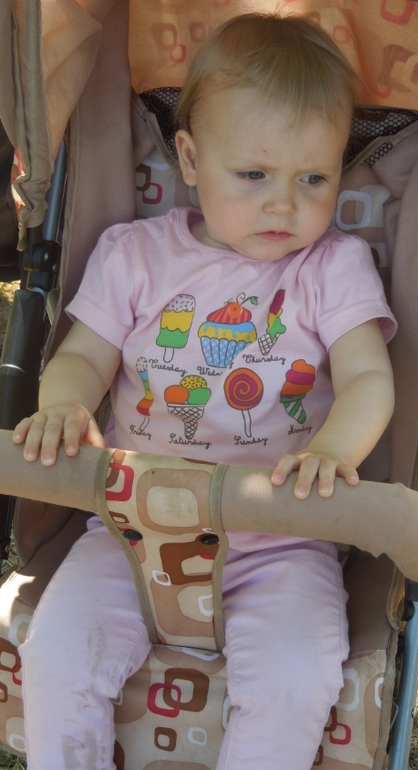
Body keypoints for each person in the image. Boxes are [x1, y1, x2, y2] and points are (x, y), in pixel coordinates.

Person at [13, 13, 396, 770]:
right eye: (254, 175)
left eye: (314, 178)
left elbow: (368, 379)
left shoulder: (331, 268)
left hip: (281, 534)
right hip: (130, 525)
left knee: (295, 676)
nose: (284, 204)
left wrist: (331, 451)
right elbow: (83, 356)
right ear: (189, 157)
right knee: (57, 654)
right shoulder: (135, 256)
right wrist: (64, 403)